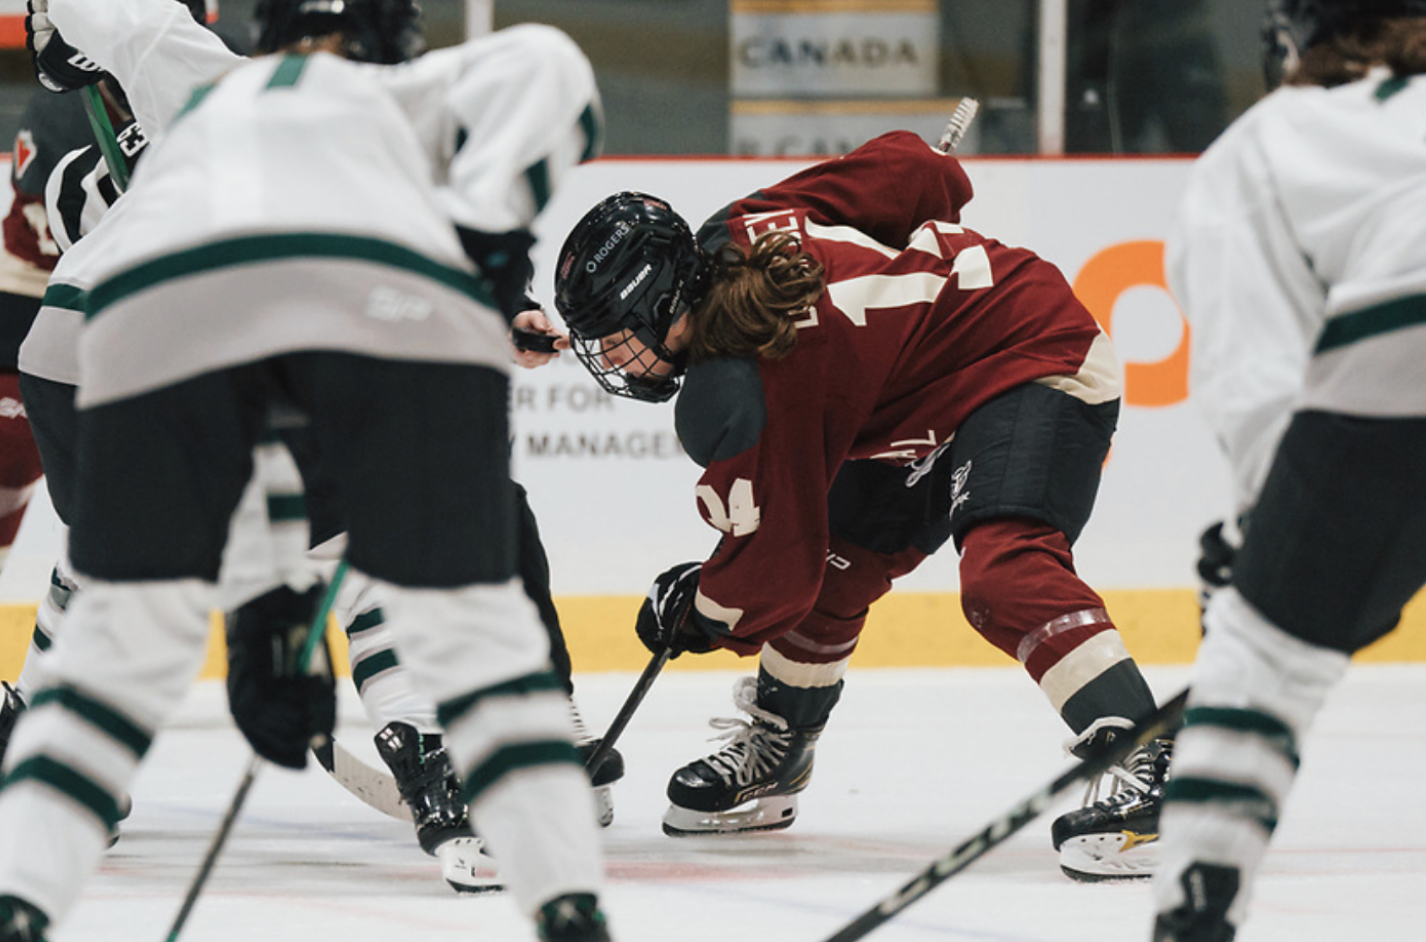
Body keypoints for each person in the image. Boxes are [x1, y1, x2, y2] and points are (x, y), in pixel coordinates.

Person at [0, 0, 615, 940]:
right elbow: (539, 79)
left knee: (116, 572)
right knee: (360, 540)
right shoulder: (400, 103)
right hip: (219, 334)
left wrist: (51, 23)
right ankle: (432, 754)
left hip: (75, 344)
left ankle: (45, 773)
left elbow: (124, 15)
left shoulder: (201, 74)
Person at [544, 130, 1172, 881]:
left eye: (617, 336)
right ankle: (780, 752)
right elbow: (913, 169)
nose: (614, 359)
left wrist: (700, 611)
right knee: (841, 559)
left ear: (667, 304)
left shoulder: (746, 385)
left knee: (1003, 571)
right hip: (925, 398)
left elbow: (773, 572)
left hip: (1031, 357)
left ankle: (1154, 764)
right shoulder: (739, 228)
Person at [1151, 2, 1426, 939]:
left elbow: (1256, 383)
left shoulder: (1265, 145)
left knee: (1260, 657)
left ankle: (1197, 903)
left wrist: (1265, 552)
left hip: (1403, 350)